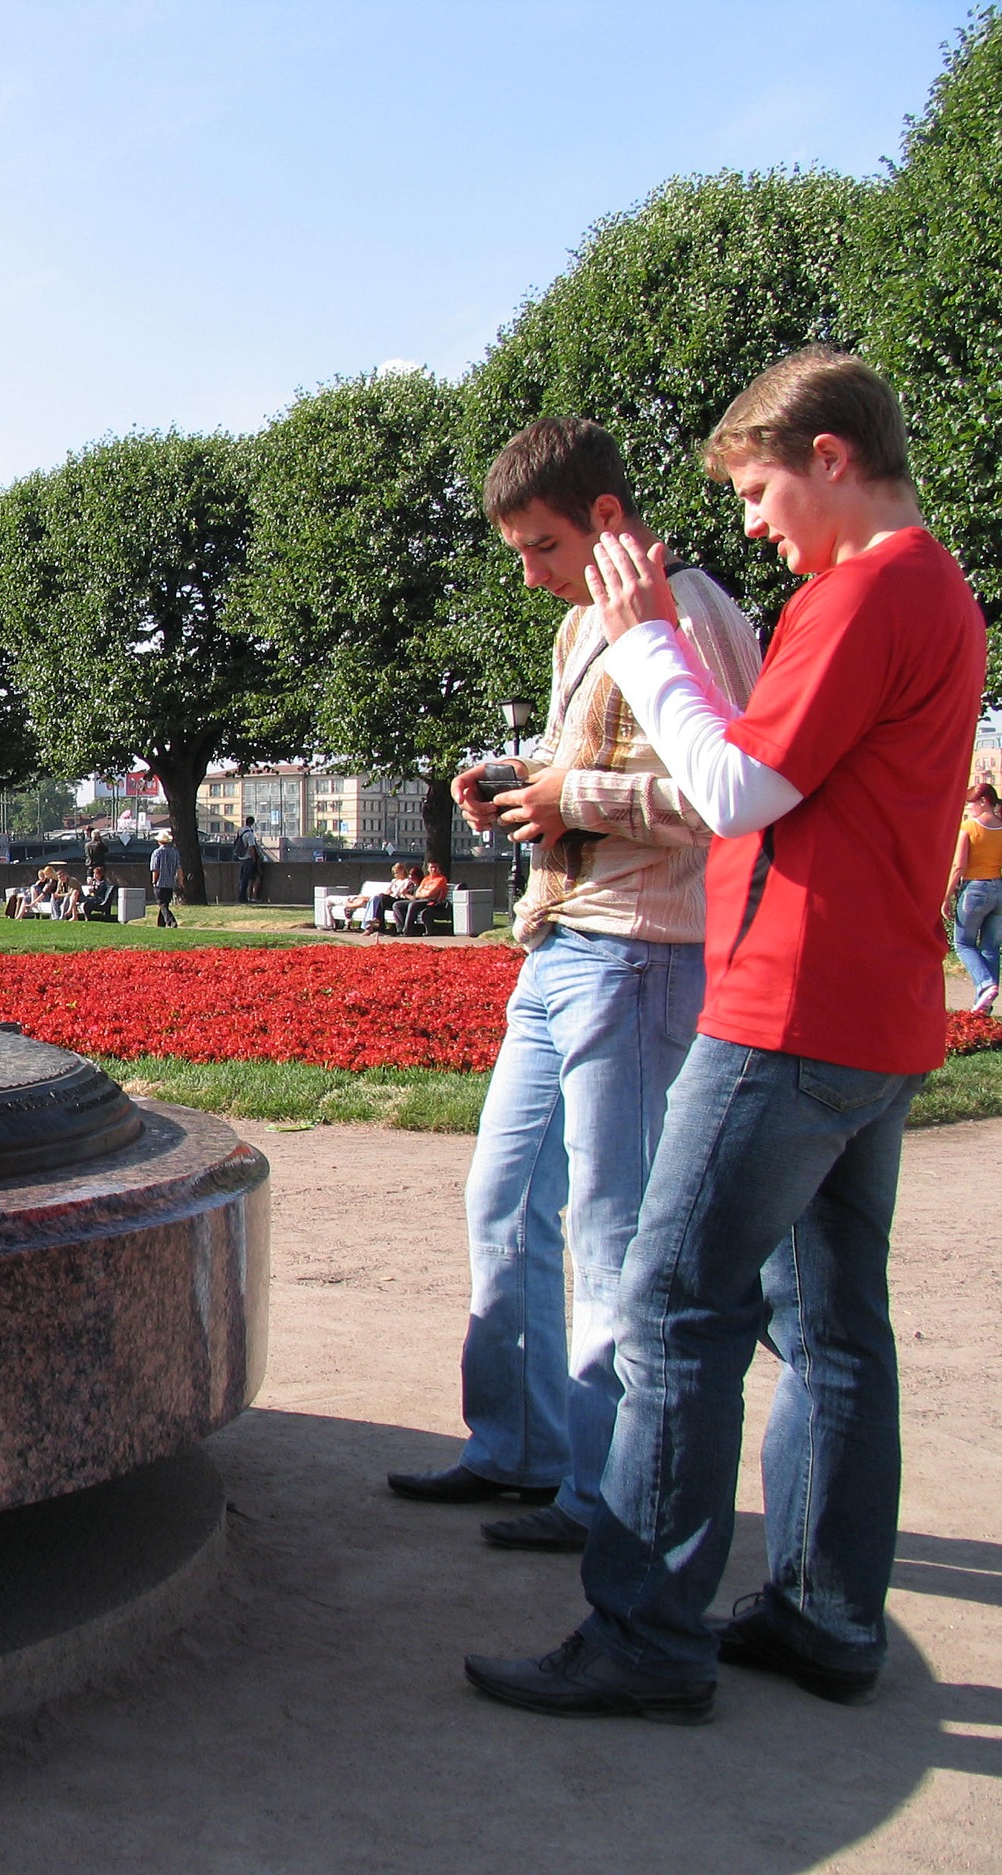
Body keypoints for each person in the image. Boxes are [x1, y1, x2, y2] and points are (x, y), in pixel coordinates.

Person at [466, 349, 986, 1724]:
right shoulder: (929, 588)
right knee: (831, 1330)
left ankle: (645, 1631)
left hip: (788, 1007)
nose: (751, 521)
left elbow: (738, 787)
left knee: (673, 1310)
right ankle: (825, 1611)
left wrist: (643, 638)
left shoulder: (868, 588)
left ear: (828, 455)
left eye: (759, 487)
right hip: (874, 1008)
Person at [386, 418, 764, 1558]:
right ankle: (519, 1448)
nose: (529, 571)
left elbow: (727, 796)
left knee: (609, 1230)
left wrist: (570, 800)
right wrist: (514, 790)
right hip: (563, 945)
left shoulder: (691, 615)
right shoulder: (576, 631)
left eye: (540, 546)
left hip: (645, 951)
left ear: (606, 519)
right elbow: (577, 772)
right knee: (500, 1199)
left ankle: (602, 1489)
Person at [948, 781, 1002, 1015]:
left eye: (971, 803)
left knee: (963, 944)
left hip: (974, 890)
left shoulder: (968, 827)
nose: (969, 808)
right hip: (998, 889)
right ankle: (985, 1004)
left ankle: (984, 983)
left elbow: (959, 866)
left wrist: (946, 896)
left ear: (983, 801)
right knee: (991, 946)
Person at [392, 862, 455, 935]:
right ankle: (400, 930)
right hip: (421, 900)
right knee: (397, 905)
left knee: (413, 905)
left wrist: (424, 893)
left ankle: (407, 931)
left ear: (439, 869)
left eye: (435, 867)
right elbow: (417, 893)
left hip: (432, 902)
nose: (433, 869)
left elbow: (430, 894)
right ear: (428, 869)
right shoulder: (426, 879)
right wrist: (426, 893)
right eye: (431, 867)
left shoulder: (441, 879)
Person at [146, 831, 182, 927]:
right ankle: (160, 924)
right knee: (165, 904)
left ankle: (171, 921)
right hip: (170, 882)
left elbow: (155, 869)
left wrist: (154, 880)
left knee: (162, 904)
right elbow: (179, 868)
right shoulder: (175, 853)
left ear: (159, 841)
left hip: (160, 883)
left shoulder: (157, 853)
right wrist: (180, 881)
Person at [235, 817, 264, 901]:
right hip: (248, 858)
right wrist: (254, 858)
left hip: (241, 857)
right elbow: (251, 847)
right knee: (248, 878)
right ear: (252, 823)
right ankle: (244, 897)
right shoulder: (249, 834)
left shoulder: (241, 831)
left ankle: (243, 896)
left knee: (242, 878)